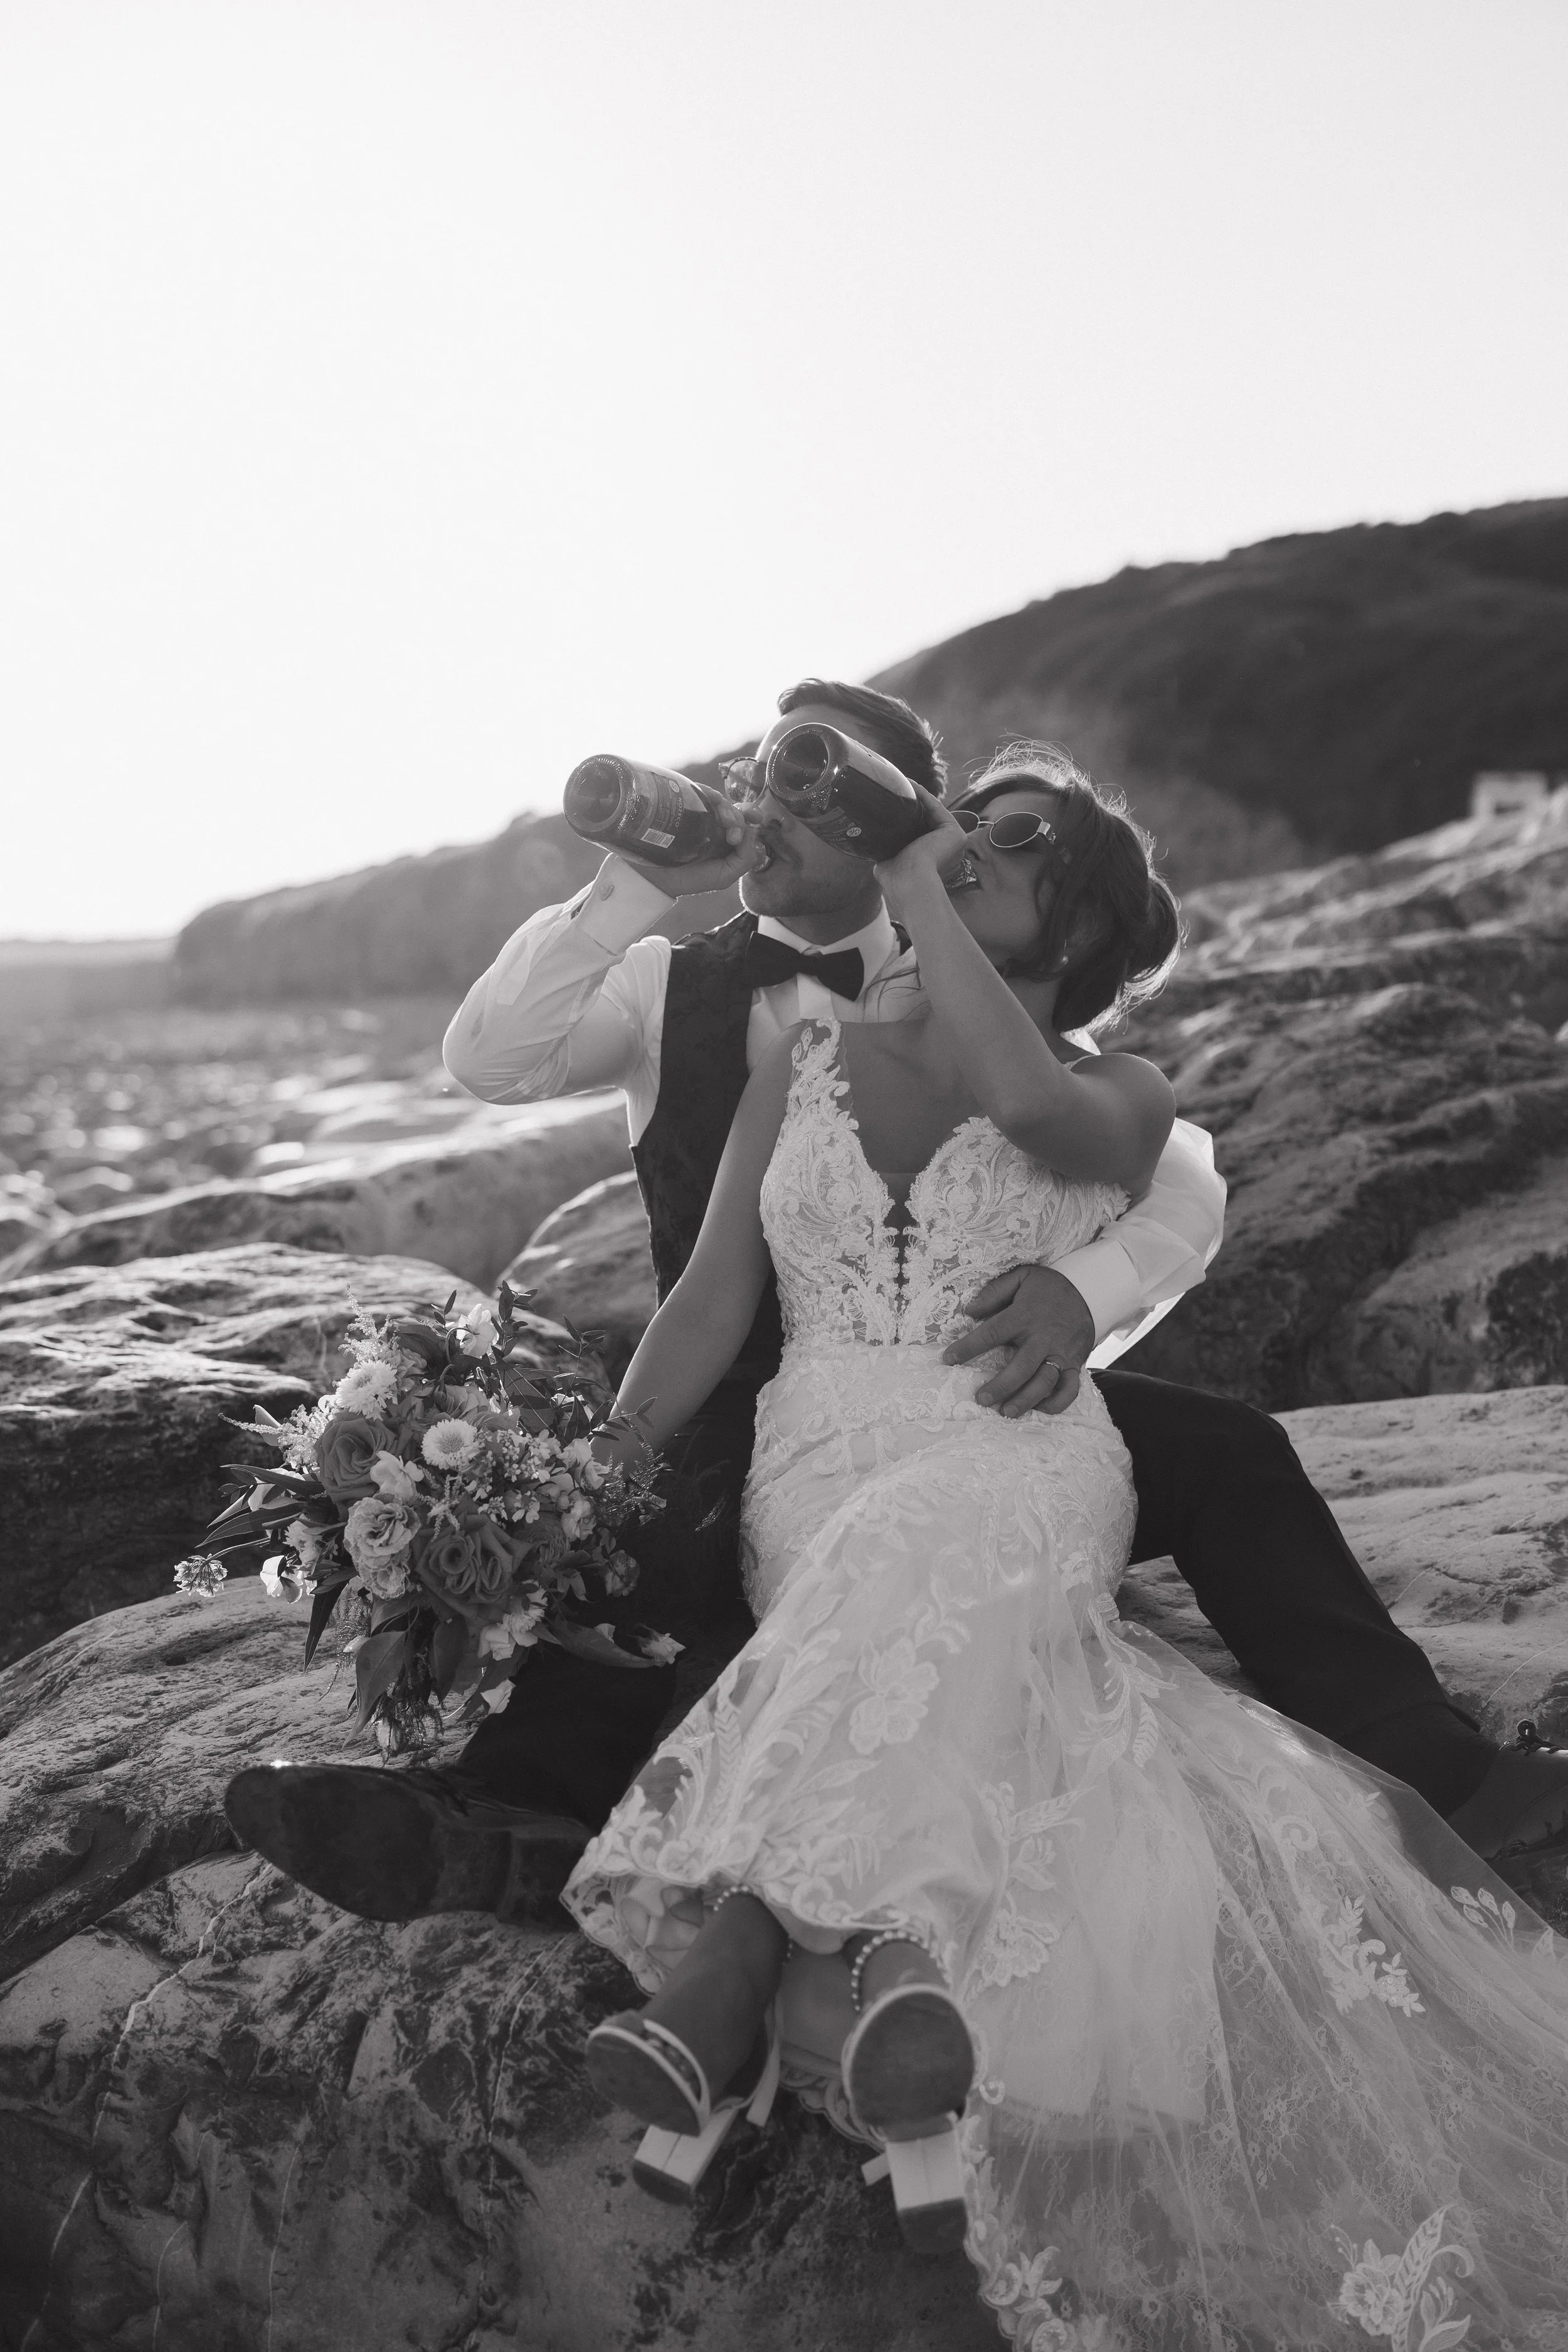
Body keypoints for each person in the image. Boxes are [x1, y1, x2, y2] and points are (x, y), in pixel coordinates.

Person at [224, 679, 1567, 1922]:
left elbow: (1168, 1173)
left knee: (1229, 1453)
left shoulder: (977, 962)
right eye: (764, 776)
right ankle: (498, 1817)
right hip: (755, 1384)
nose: (771, 805)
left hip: (968, 1387)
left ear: (899, 822)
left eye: (819, 786)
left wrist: (1080, 1289)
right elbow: (493, 1064)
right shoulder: (667, 982)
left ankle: (1433, 1773)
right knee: (654, 1536)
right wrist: (634, 883)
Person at [566, 753, 1568, 2345]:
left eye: (1010, 841)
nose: (967, 843)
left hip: (1020, 1450)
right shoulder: (794, 1055)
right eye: (961, 821)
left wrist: (905, 864)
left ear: (1073, 920)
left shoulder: (1125, 1088)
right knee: (868, 1565)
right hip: (815, 1454)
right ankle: (895, 1969)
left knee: (928, 1537)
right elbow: (707, 1301)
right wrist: (593, 1476)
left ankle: (744, 1951)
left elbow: (1028, 1105)